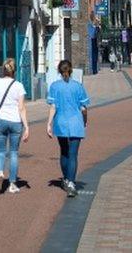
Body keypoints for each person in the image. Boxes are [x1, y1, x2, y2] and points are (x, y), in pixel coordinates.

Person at [0, 58, 29, 194]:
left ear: (2, 70)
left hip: (0, 121)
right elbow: (21, 108)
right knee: (14, 153)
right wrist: (26, 126)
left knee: (0, 151)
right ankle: (13, 183)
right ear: (14, 71)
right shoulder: (19, 86)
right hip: (15, 122)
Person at [47, 60, 90, 198]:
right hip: (76, 123)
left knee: (64, 152)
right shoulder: (78, 86)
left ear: (59, 71)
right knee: (73, 154)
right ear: (71, 70)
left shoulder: (54, 86)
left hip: (60, 123)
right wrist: (85, 121)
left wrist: (48, 124)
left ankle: (66, 179)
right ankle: (71, 182)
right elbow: (83, 108)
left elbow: (53, 106)